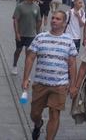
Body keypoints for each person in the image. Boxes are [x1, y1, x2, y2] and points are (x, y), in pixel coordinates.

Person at [21, 10, 78, 140]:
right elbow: (30, 58)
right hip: (40, 83)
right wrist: (25, 78)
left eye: (58, 19)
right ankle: (38, 123)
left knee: (54, 114)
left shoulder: (69, 40)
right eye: (53, 18)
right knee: (34, 113)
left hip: (60, 85)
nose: (54, 21)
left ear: (64, 23)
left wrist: (73, 84)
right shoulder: (40, 37)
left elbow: (72, 64)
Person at [11, 0, 42, 76]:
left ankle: (26, 73)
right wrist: (17, 33)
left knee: (28, 53)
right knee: (18, 50)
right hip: (21, 33)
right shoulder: (20, 6)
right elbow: (16, 20)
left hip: (31, 34)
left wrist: (37, 31)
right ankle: (14, 65)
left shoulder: (37, 7)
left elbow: (39, 20)